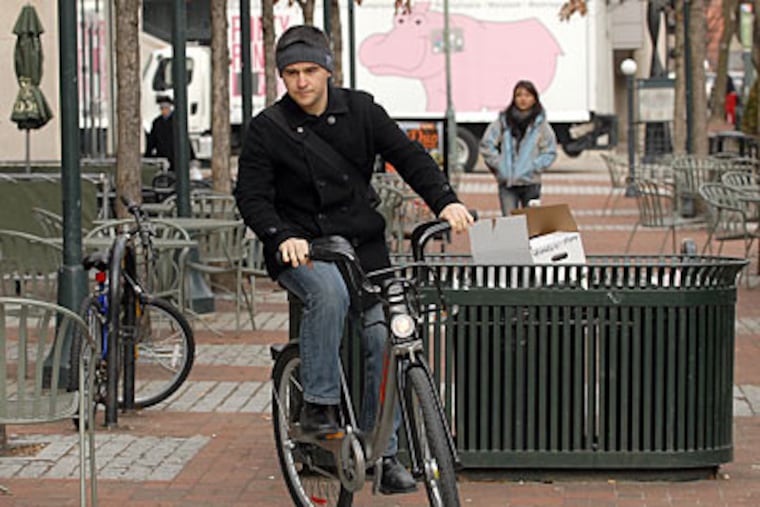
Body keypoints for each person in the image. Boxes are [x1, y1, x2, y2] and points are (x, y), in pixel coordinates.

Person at [234, 25, 473, 495]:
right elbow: (252, 196)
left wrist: (444, 200)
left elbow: (408, 155)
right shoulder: (268, 128)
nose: (301, 82)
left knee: (388, 336)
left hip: (364, 246)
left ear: (328, 70)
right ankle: (318, 406)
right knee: (328, 291)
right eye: (291, 73)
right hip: (303, 245)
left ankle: (385, 455)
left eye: (310, 71)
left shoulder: (361, 109)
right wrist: (281, 234)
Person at [479, 80, 557, 215]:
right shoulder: (503, 121)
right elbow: (487, 144)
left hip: (531, 182)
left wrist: (535, 166)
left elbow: (550, 151)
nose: (523, 99)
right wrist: (499, 164)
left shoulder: (540, 124)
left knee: (532, 225)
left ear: (534, 98)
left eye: (527, 95)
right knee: (510, 225)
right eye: (519, 95)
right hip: (507, 184)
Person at [144, 96, 196, 172]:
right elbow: (152, 140)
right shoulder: (157, 122)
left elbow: (185, 138)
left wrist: (191, 157)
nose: (164, 110)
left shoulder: (177, 120)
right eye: (162, 108)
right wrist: (148, 155)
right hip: (163, 155)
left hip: (176, 155)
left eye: (166, 108)